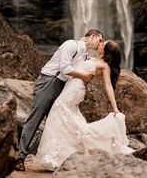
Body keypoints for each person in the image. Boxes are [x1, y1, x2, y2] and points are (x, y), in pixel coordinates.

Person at [36, 39, 133, 170]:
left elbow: (108, 85)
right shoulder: (90, 57)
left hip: (75, 89)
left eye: (102, 45)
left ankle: (57, 156)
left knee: (58, 110)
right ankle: (66, 153)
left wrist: (115, 108)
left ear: (106, 51)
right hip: (72, 86)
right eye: (100, 42)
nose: (99, 44)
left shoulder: (105, 65)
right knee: (66, 117)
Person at [14, 29, 103, 172]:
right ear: (92, 36)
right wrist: (83, 76)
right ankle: (20, 158)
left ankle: (57, 159)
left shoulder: (85, 55)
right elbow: (64, 68)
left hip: (63, 87)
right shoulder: (71, 45)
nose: (100, 43)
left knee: (58, 122)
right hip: (49, 81)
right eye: (100, 40)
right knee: (35, 118)